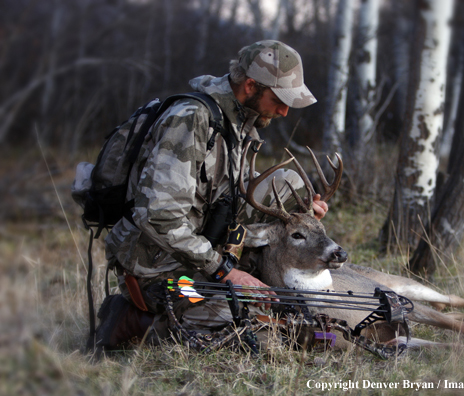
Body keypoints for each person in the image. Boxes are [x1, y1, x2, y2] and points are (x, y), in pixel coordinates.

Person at [90, 40, 328, 353]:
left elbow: (231, 201)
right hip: (159, 268)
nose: (284, 111)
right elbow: (159, 216)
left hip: (203, 250)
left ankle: (218, 295)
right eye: (278, 99)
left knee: (292, 184)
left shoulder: (240, 124)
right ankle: (138, 320)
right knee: (247, 317)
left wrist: (299, 212)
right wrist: (225, 271)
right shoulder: (190, 121)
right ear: (250, 85)